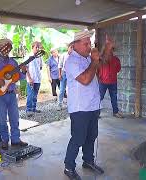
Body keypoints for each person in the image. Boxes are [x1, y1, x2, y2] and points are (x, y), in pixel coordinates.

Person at [63, 30, 105, 180]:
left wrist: (104, 52)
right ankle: (69, 166)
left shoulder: (87, 58)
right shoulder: (71, 62)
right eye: (86, 44)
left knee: (91, 136)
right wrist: (94, 61)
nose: (89, 47)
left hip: (93, 105)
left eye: (90, 43)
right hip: (80, 108)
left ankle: (88, 161)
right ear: (75, 45)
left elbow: (100, 67)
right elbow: (86, 79)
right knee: (78, 138)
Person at [0, 38, 28, 150]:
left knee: (15, 117)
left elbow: (19, 77)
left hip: (11, 93)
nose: (5, 49)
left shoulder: (13, 62)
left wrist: (23, 71)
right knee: (1, 119)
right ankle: (4, 140)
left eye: (7, 47)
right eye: (2, 47)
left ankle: (16, 139)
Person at [98, 35, 123, 118]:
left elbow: (118, 69)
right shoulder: (101, 58)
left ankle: (115, 112)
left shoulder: (115, 59)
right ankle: (96, 113)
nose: (110, 50)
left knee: (114, 98)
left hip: (112, 81)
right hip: (103, 82)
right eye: (108, 48)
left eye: (111, 48)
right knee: (99, 97)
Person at [26, 41, 43, 117]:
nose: (37, 48)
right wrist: (29, 78)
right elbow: (25, 68)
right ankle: (28, 110)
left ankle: (33, 108)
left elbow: (40, 67)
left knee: (35, 95)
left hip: (38, 79)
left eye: (38, 47)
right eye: (36, 47)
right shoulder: (28, 56)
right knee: (30, 95)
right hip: (31, 79)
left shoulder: (39, 56)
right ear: (32, 47)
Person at [57, 43, 72, 111]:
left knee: (70, 90)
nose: (71, 49)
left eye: (72, 48)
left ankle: (70, 105)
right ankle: (59, 104)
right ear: (68, 48)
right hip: (64, 73)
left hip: (71, 74)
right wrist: (59, 74)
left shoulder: (74, 56)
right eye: (70, 47)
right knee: (62, 90)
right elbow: (60, 65)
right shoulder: (63, 55)